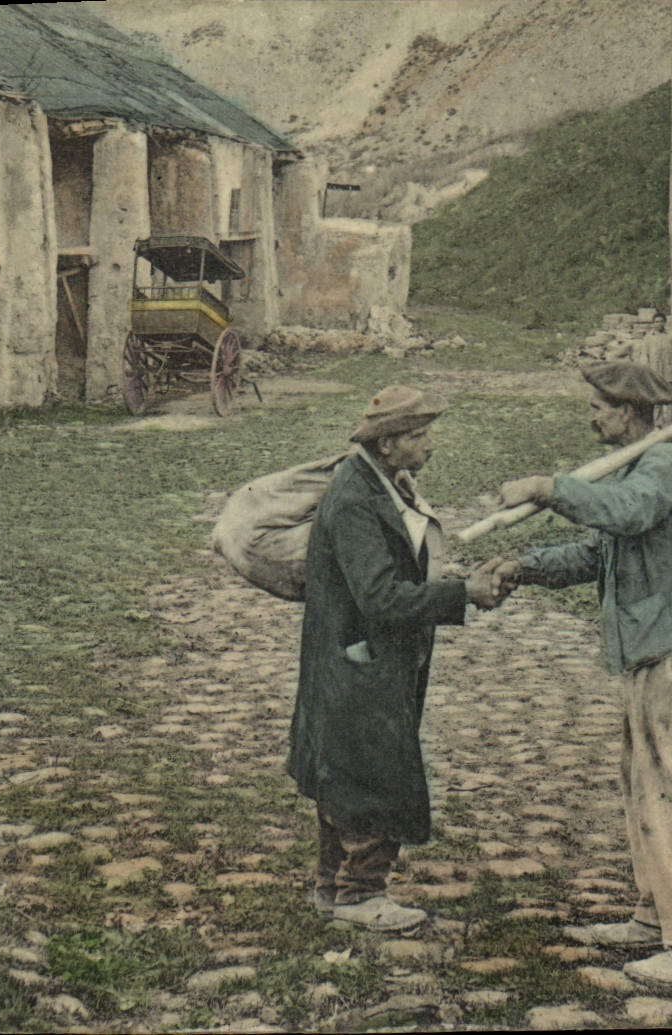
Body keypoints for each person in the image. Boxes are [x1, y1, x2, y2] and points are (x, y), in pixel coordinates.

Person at [496, 361, 672, 984]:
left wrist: (551, 487)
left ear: (629, 412)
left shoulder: (661, 467)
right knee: (643, 783)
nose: (592, 415)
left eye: (599, 406)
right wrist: (524, 567)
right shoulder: (634, 466)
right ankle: (657, 918)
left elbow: (625, 513)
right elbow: (599, 551)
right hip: (648, 647)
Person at [288, 385, 509, 932]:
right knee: (372, 772)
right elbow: (381, 598)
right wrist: (462, 594)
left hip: (357, 658)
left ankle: (332, 887)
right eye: (419, 435)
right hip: (358, 661)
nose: (431, 445)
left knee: (345, 769)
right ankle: (361, 893)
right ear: (386, 444)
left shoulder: (378, 482)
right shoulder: (358, 502)